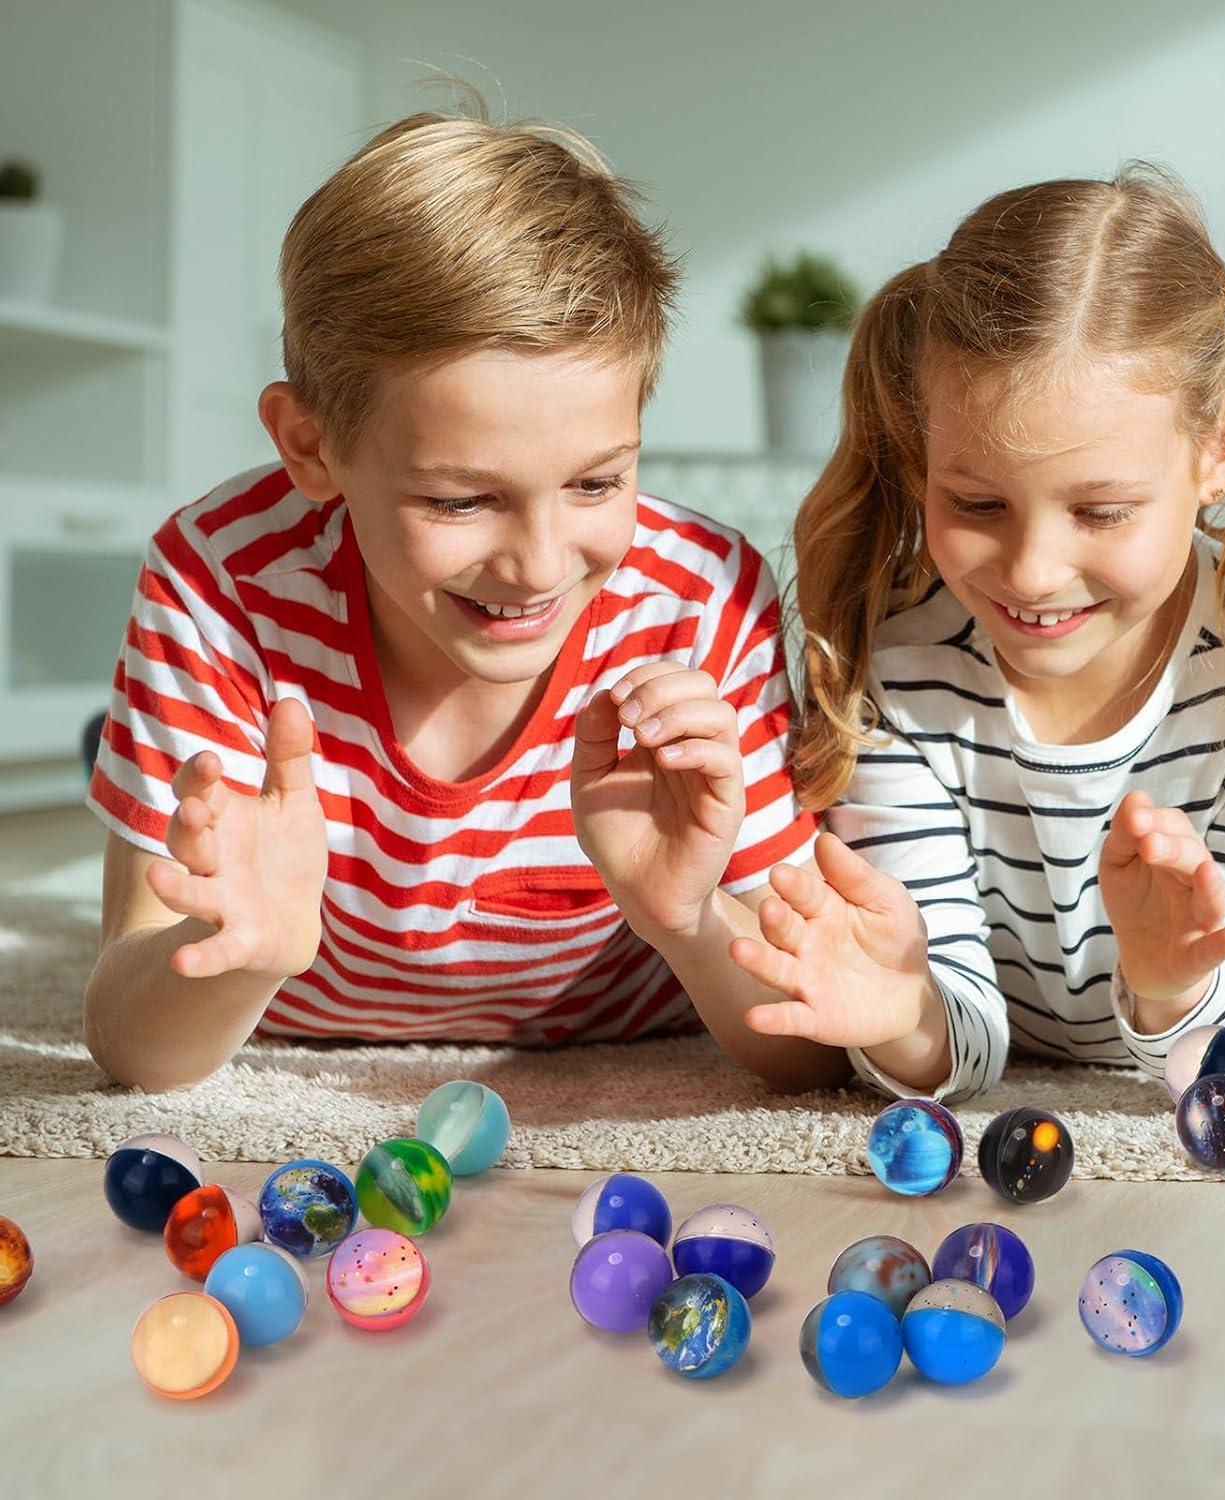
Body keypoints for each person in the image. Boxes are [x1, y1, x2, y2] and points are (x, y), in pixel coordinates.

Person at [83, 104, 854, 1097]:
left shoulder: (699, 601)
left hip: (627, 1026)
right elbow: (128, 1043)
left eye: (595, 483)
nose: (538, 565)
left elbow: (812, 1044)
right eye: (459, 500)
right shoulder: (218, 580)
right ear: (312, 447)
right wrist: (240, 954)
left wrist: (687, 919)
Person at [728, 163, 1225, 1107]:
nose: (1031, 573)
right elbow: (956, 1027)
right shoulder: (894, 667)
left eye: (1100, 512)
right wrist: (903, 1015)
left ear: (1220, 450)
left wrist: (1174, 983)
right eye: (977, 504)